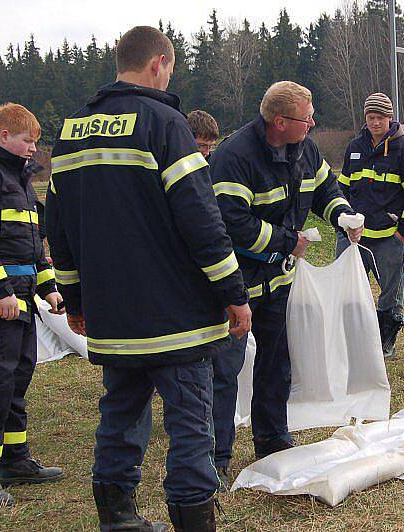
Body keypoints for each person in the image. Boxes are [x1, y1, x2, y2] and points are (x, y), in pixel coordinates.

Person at [46, 26, 251, 530]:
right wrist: (233, 294)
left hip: (113, 317)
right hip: (176, 317)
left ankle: (117, 519)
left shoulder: (71, 132)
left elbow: (60, 229)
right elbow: (201, 219)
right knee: (189, 428)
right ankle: (193, 519)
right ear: (159, 63)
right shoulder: (165, 122)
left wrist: (74, 301)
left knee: (119, 417)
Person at [208, 80, 362, 488]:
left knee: (277, 364)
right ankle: (215, 459)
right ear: (279, 122)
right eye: (306, 118)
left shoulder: (305, 147)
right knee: (225, 370)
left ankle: (272, 439)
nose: (313, 123)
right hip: (235, 282)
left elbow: (326, 186)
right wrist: (287, 242)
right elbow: (229, 221)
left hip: (278, 280)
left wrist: (341, 214)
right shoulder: (234, 156)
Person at [0, 103, 64, 507]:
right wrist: (1, 291)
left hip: (18, 303)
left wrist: (49, 286)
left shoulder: (17, 179)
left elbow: (33, 246)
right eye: (27, 141)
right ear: (3, 135)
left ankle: (14, 460)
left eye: (36, 142)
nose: (33, 150)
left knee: (16, 384)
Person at [336, 92, 404, 359]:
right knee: (346, 287)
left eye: (380, 118)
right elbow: (342, 187)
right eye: (371, 117)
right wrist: (342, 221)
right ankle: (351, 339)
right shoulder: (354, 148)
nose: (375, 123)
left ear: (390, 118)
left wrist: (402, 232)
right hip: (353, 236)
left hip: (388, 236)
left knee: (390, 292)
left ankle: (386, 338)